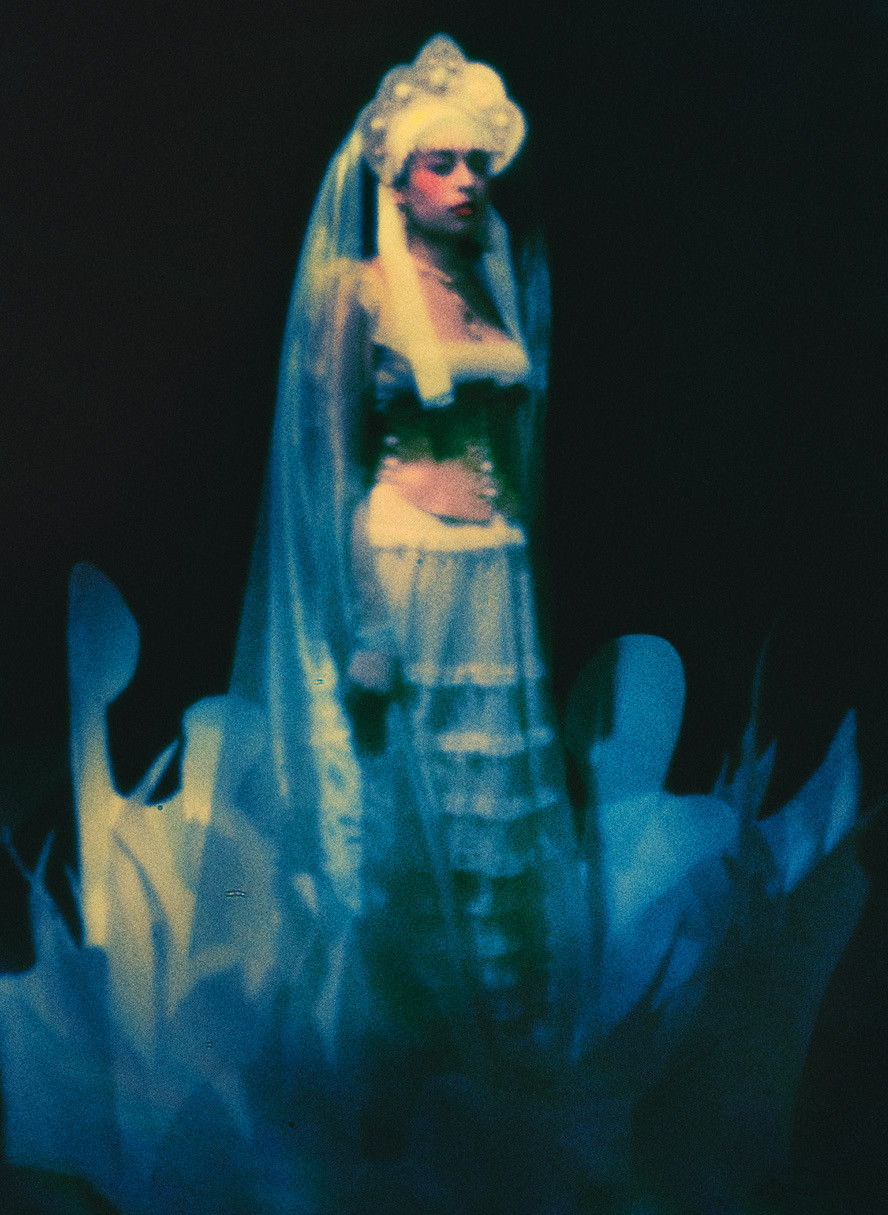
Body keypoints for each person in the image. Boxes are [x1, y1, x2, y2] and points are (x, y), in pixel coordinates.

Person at [229, 35, 586, 1093]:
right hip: (407, 560)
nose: (467, 180)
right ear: (397, 180)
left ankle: (497, 1039)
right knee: (410, 798)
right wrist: (369, 624)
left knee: (493, 798)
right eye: (443, 163)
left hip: (493, 571)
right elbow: (332, 468)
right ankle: (405, 1048)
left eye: (477, 163)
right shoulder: (358, 291)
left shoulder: (492, 284)